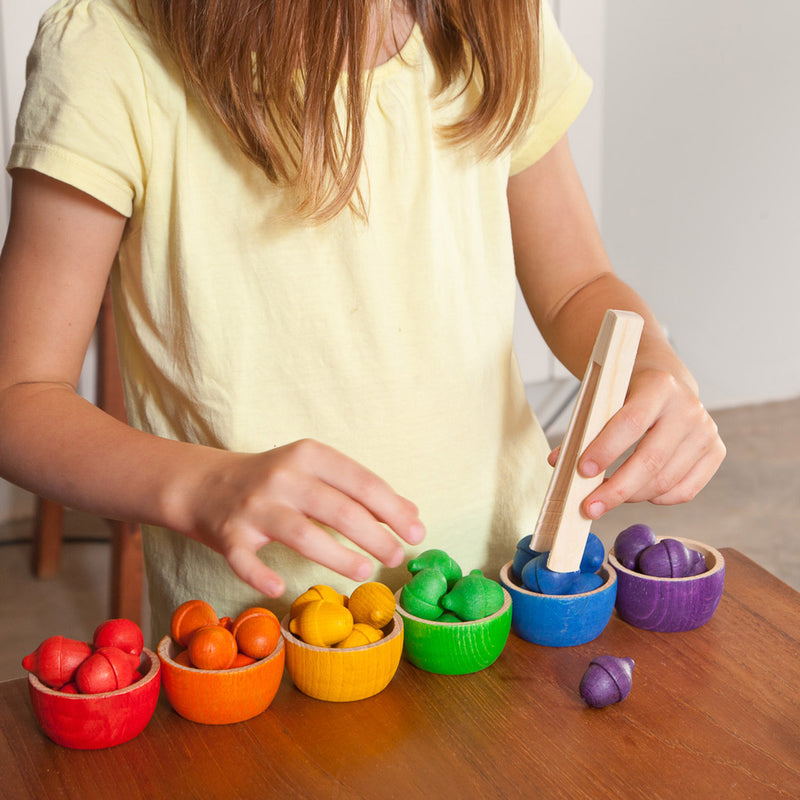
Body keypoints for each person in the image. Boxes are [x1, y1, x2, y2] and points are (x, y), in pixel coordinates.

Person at [0, 0, 725, 638]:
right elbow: (19, 398)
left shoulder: (498, 18)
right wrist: (201, 487)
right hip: (269, 642)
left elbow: (578, 285)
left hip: (509, 586)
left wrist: (654, 363)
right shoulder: (110, 47)